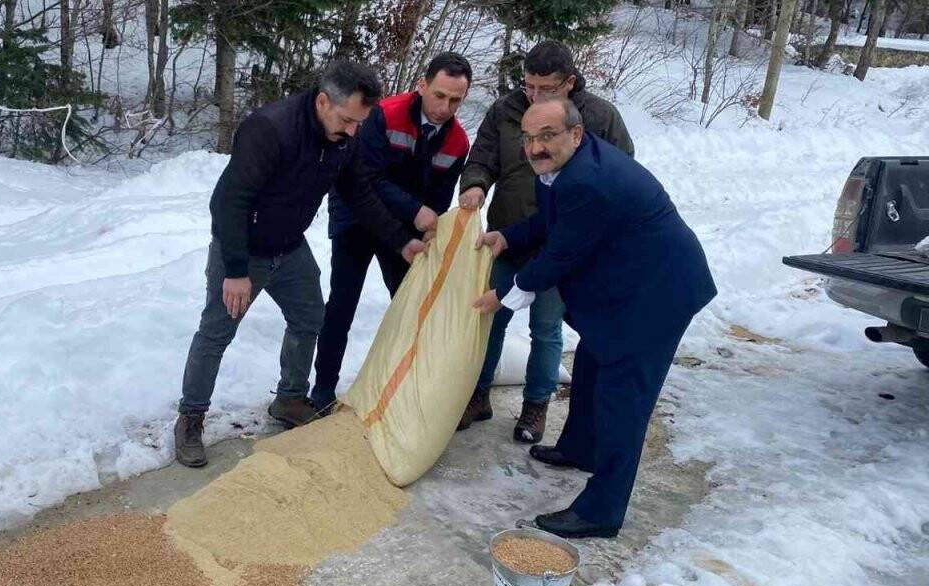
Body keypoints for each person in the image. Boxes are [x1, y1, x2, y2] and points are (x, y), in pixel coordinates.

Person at [473, 99, 716, 538]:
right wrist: (507, 237)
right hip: (628, 286)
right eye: (528, 137)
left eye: (547, 135)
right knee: (589, 365)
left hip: (656, 294)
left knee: (624, 400)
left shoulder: (588, 180)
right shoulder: (564, 168)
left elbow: (560, 254)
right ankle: (580, 447)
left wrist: (503, 295)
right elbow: (551, 224)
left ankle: (601, 510)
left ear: (576, 134)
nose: (535, 147)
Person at [173, 60, 426, 468]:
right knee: (216, 332)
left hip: (290, 249)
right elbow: (228, 202)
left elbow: (358, 193)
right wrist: (235, 271)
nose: (352, 130)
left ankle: (290, 399)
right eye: (347, 119)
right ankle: (191, 418)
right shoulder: (270, 129)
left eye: (359, 122)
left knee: (310, 317)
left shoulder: (346, 134)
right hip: (243, 251)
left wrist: (400, 242)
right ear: (323, 101)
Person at [457, 40, 635, 443]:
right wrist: (475, 186)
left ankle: (535, 407)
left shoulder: (599, 118)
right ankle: (476, 395)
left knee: (547, 326)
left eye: (546, 89)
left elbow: (619, 174)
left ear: (569, 83)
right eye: (528, 87)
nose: (535, 96)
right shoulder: (505, 110)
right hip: (508, 234)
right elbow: (482, 157)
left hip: (561, 245)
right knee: (489, 317)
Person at [309, 52, 473, 411]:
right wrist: (417, 212)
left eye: (456, 100)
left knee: (411, 301)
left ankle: (405, 385)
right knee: (343, 301)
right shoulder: (386, 113)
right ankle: (322, 389)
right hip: (355, 214)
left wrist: (432, 226)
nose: (445, 107)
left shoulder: (458, 142)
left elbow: (439, 197)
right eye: (440, 95)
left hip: (402, 228)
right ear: (422, 85)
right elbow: (365, 178)